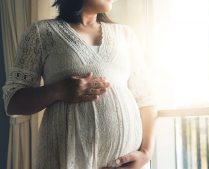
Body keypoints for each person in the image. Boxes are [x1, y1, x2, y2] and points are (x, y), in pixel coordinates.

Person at [1, 0, 158, 168]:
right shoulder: (42, 33)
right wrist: (58, 90)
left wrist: (146, 153)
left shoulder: (125, 35)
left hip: (126, 163)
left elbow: (146, 99)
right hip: (66, 159)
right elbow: (12, 102)